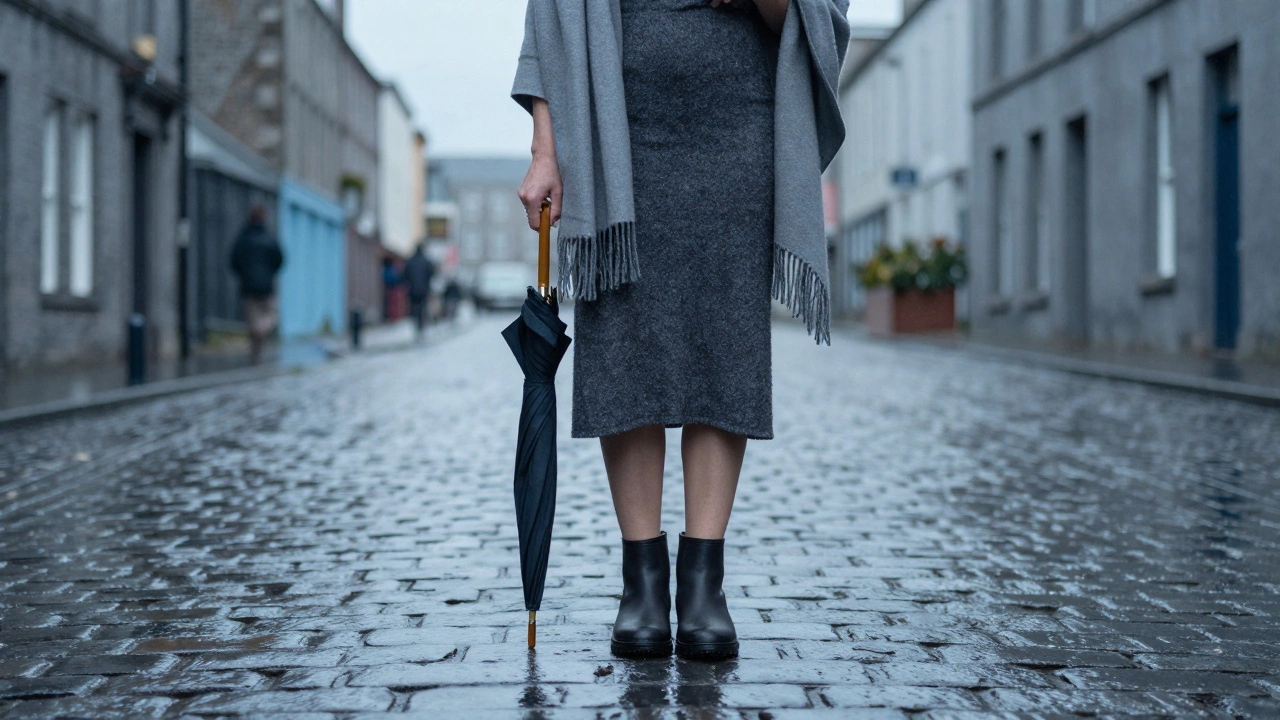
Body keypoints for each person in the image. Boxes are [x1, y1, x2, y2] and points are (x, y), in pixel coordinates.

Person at [513, 0, 849, 661]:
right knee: (627, 346)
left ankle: (703, 584)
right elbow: (550, 15)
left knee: (723, 342)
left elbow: (811, 19)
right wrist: (544, 149)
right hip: (613, 125)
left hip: (738, 119)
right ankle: (640, 580)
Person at [229, 205, 285, 363]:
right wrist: (269, 273)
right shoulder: (269, 237)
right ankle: (257, 346)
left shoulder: (243, 237)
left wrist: (244, 274)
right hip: (266, 286)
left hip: (248, 287)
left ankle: (256, 349)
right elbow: (280, 259)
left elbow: (234, 260)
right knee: (271, 316)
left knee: (253, 322)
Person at [403, 243, 435, 338]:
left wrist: (409, 282)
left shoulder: (410, 261)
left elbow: (405, 274)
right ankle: (421, 326)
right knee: (422, 307)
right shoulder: (426, 261)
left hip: (412, 289)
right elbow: (431, 272)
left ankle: (416, 324)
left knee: (414, 307)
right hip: (424, 289)